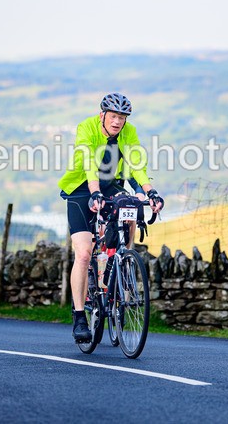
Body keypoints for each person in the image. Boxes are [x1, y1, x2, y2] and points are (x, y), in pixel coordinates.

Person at [58, 92, 164, 342]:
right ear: (102, 114)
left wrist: (151, 192)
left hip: (110, 185)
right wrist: (94, 193)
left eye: (122, 117)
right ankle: (79, 316)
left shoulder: (129, 132)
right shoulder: (87, 127)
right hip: (82, 187)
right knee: (84, 253)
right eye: (114, 116)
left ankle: (121, 261)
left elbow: (137, 164)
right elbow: (88, 162)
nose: (118, 121)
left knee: (129, 211)